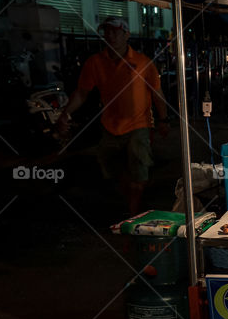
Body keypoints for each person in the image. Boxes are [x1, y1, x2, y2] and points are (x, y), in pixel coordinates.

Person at [57, 16, 169, 214]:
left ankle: (133, 211)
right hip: (109, 126)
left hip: (138, 125)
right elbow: (82, 92)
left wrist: (163, 119)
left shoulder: (143, 63)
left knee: (139, 167)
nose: (110, 35)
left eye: (115, 31)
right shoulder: (95, 63)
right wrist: (66, 113)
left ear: (126, 34)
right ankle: (132, 203)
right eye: (107, 31)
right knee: (112, 170)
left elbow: (157, 93)